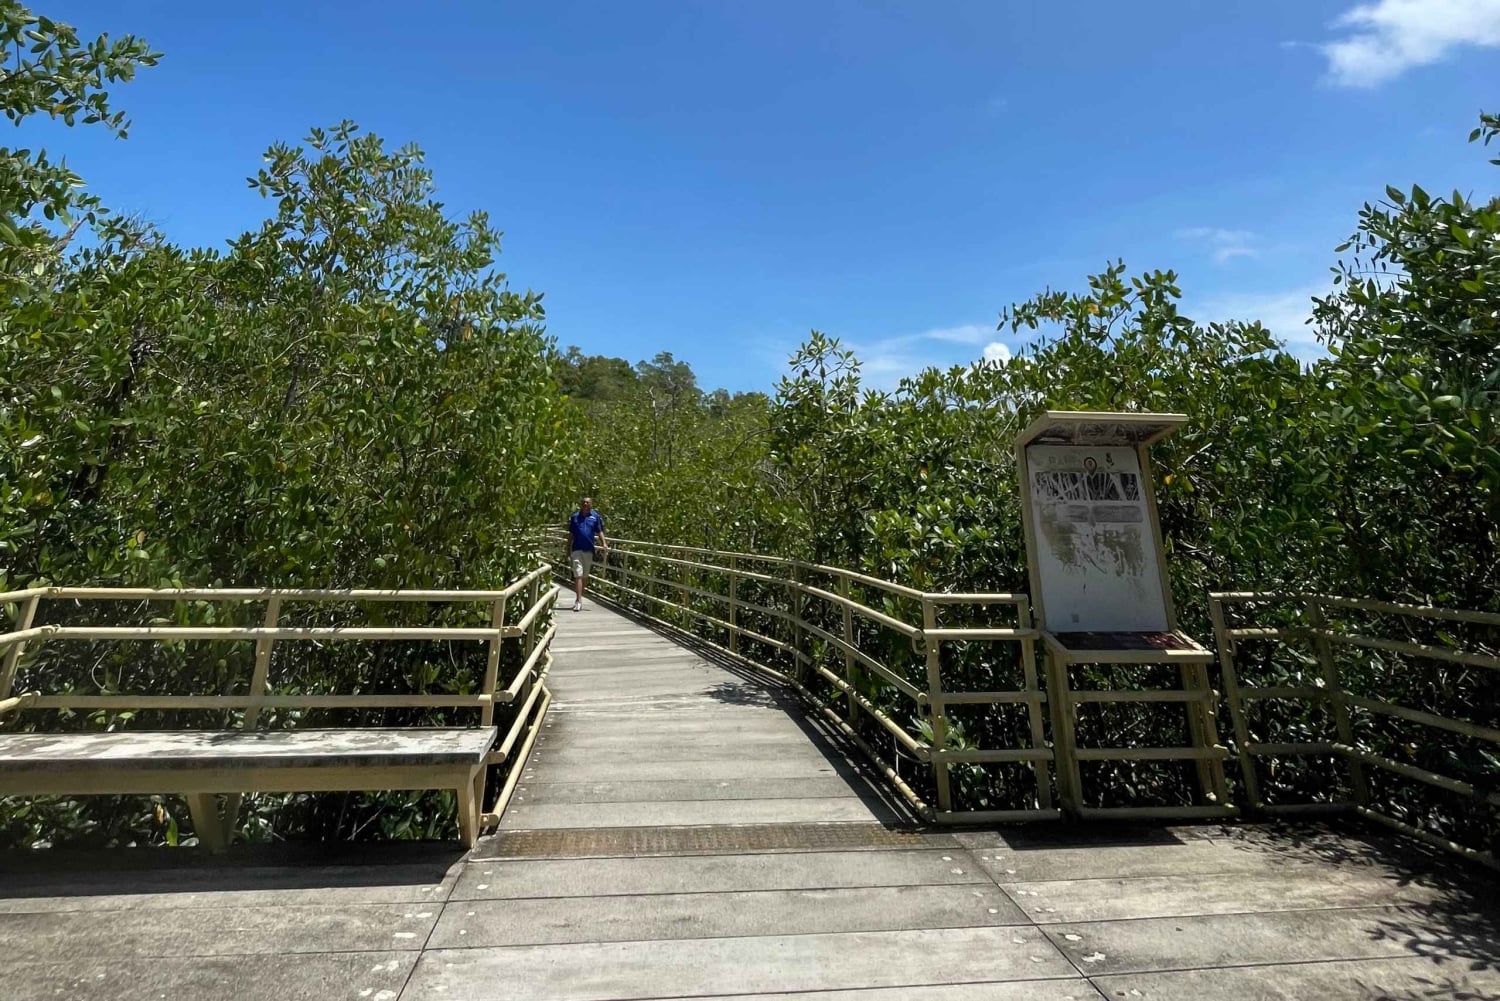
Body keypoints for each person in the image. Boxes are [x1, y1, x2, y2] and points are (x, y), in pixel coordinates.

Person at [565, 496, 607, 611]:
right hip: (577, 549)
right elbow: (571, 535)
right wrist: (568, 550)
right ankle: (578, 601)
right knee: (578, 574)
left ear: (591, 504)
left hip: (588, 549)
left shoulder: (595, 517)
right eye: (583, 502)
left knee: (584, 576)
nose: (585, 504)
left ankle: (580, 596)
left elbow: (599, 531)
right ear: (581, 504)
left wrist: (604, 543)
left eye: (587, 503)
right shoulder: (575, 517)